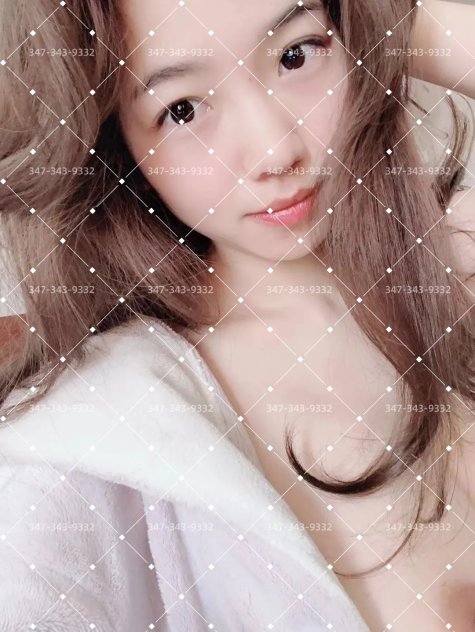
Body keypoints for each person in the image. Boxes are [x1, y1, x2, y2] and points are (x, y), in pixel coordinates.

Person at [0, 0, 474, 629]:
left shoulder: (455, 253)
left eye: (296, 55)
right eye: (183, 110)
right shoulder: (93, 438)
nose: (275, 151)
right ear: (116, 143)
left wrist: (397, 21)